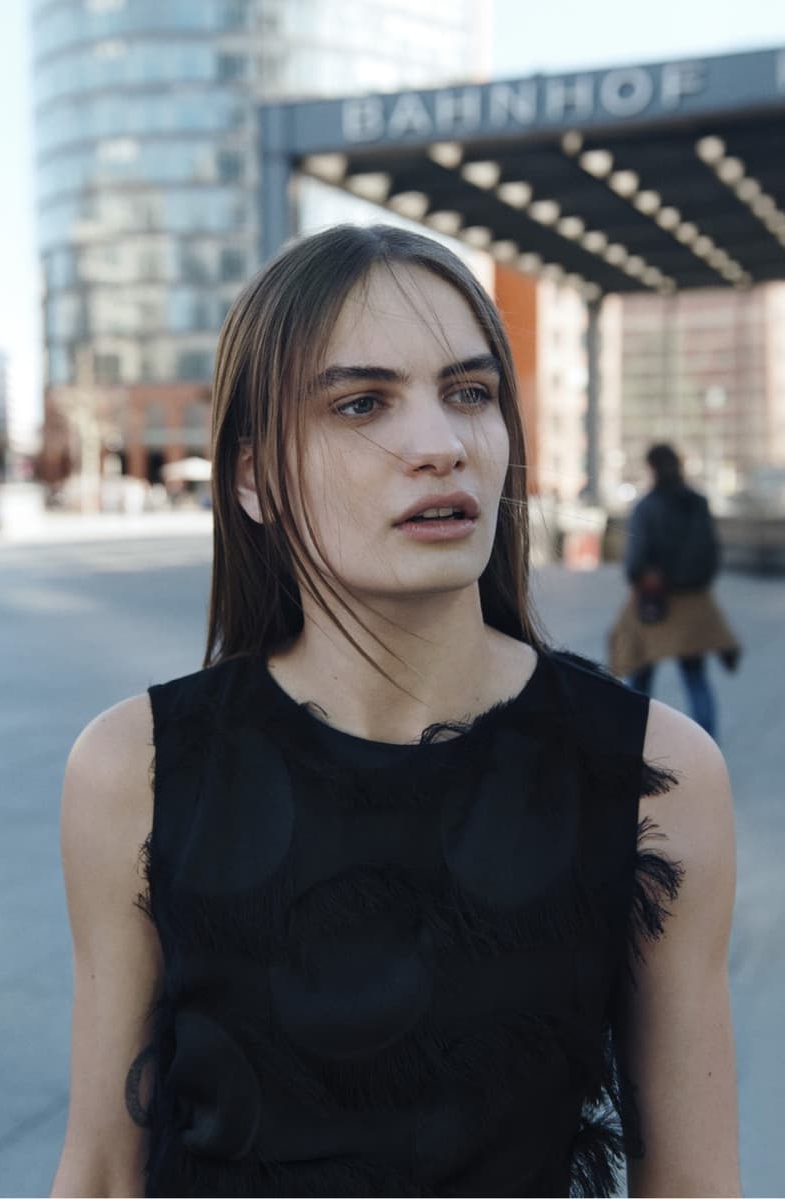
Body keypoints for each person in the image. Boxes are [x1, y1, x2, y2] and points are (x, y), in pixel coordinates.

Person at [52, 226, 739, 1198]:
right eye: (362, 402)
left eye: (469, 392)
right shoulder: (137, 768)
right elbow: (102, 1167)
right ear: (251, 477)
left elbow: (694, 1180)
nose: (441, 444)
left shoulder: (651, 776)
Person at [609, 443, 741, 741]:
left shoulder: (647, 506)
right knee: (695, 678)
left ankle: (633, 739)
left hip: (655, 602)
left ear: (652, 468)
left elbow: (636, 557)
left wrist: (640, 576)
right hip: (693, 603)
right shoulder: (698, 502)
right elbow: (711, 552)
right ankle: (709, 743)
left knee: (640, 674)